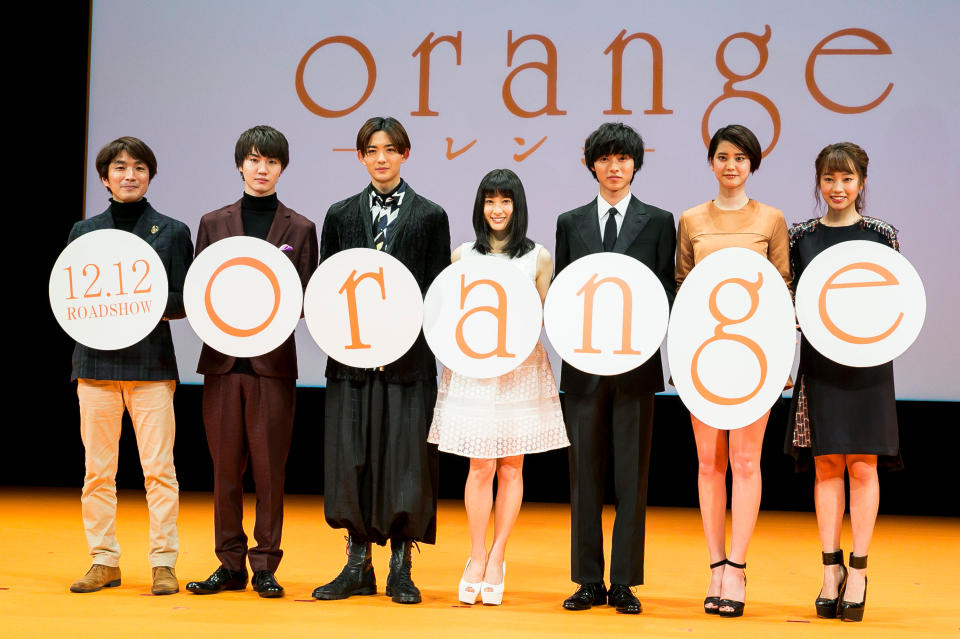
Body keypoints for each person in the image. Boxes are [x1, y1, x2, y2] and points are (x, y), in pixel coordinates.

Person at [313, 116, 450, 605]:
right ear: (361, 157)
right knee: (351, 460)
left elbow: (437, 294)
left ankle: (400, 566)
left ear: (405, 154)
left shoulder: (431, 215)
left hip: (409, 364)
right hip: (350, 361)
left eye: (391, 149)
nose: (382, 158)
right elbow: (327, 288)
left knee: (407, 462)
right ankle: (356, 564)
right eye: (373, 150)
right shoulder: (340, 213)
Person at [186, 125, 318, 599]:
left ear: (282, 168)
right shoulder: (213, 222)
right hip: (222, 366)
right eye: (255, 160)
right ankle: (229, 563)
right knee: (224, 471)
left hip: (273, 367)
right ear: (240, 164)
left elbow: (305, 298)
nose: (263, 170)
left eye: (272, 162)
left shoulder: (300, 228)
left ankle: (265, 564)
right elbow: (201, 291)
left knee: (269, 472)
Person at [427, 169, 569, 606]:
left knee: (511, 466)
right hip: (474, 372)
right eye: (490, 201)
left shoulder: (540, 257)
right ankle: (474, 555)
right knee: (479, 468)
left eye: (506, 201)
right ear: (480, 206)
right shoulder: (462, 255)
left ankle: (498, 556)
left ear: (518, 206)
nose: (497, 209)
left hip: (520, 370)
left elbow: (546, 317)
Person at [554, 122, 676, 615]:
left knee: (632, 477)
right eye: (604, 159)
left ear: (635, 164)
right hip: (582, 368)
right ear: (591, 164)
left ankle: (624, 580)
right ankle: (587, 579)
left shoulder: (659, 220)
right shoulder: (569, 221)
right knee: (583, 477)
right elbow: (562, 294)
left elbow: (666, 291)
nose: (614, 168)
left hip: (635, 368)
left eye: (623, 159)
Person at [68, 137, 193, 595]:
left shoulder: (173, 231)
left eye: (139, 167)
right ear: (105, 177)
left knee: (160, 471)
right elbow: (71, 299)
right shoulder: (84, 233)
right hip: (95, 367)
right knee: (97, 472)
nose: (129, 174)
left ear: (150, 176)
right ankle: (103, 560)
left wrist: (143, 305)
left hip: (151, 368)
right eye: (119, 167)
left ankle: (163, 562)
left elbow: (185, 300)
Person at [675, 124, 791, 617]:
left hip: (755, 361)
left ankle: (738, 570)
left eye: (741, 157)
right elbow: (682, 289)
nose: (731, 165)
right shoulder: (691, 219)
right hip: (702, 358)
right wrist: (681, 360)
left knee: (745, 462)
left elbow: (784, 290)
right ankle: (715, 564)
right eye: (722, 156)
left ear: (752, 165)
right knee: (708, 464)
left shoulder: (771, 219)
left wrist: (781, 362)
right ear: (711, 162)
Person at [785, 142, 899, 623]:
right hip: (820, 365)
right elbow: (789, 305)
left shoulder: (882, 235)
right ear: (819, 182)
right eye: (829, 179)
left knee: (863, 467)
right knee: (827, 465)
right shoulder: (801, 237)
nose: (838, 188)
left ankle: (859, 570)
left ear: (862, 183)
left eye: (847, 179)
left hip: (869, 364)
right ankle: (830, 570)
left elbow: (897, 303)